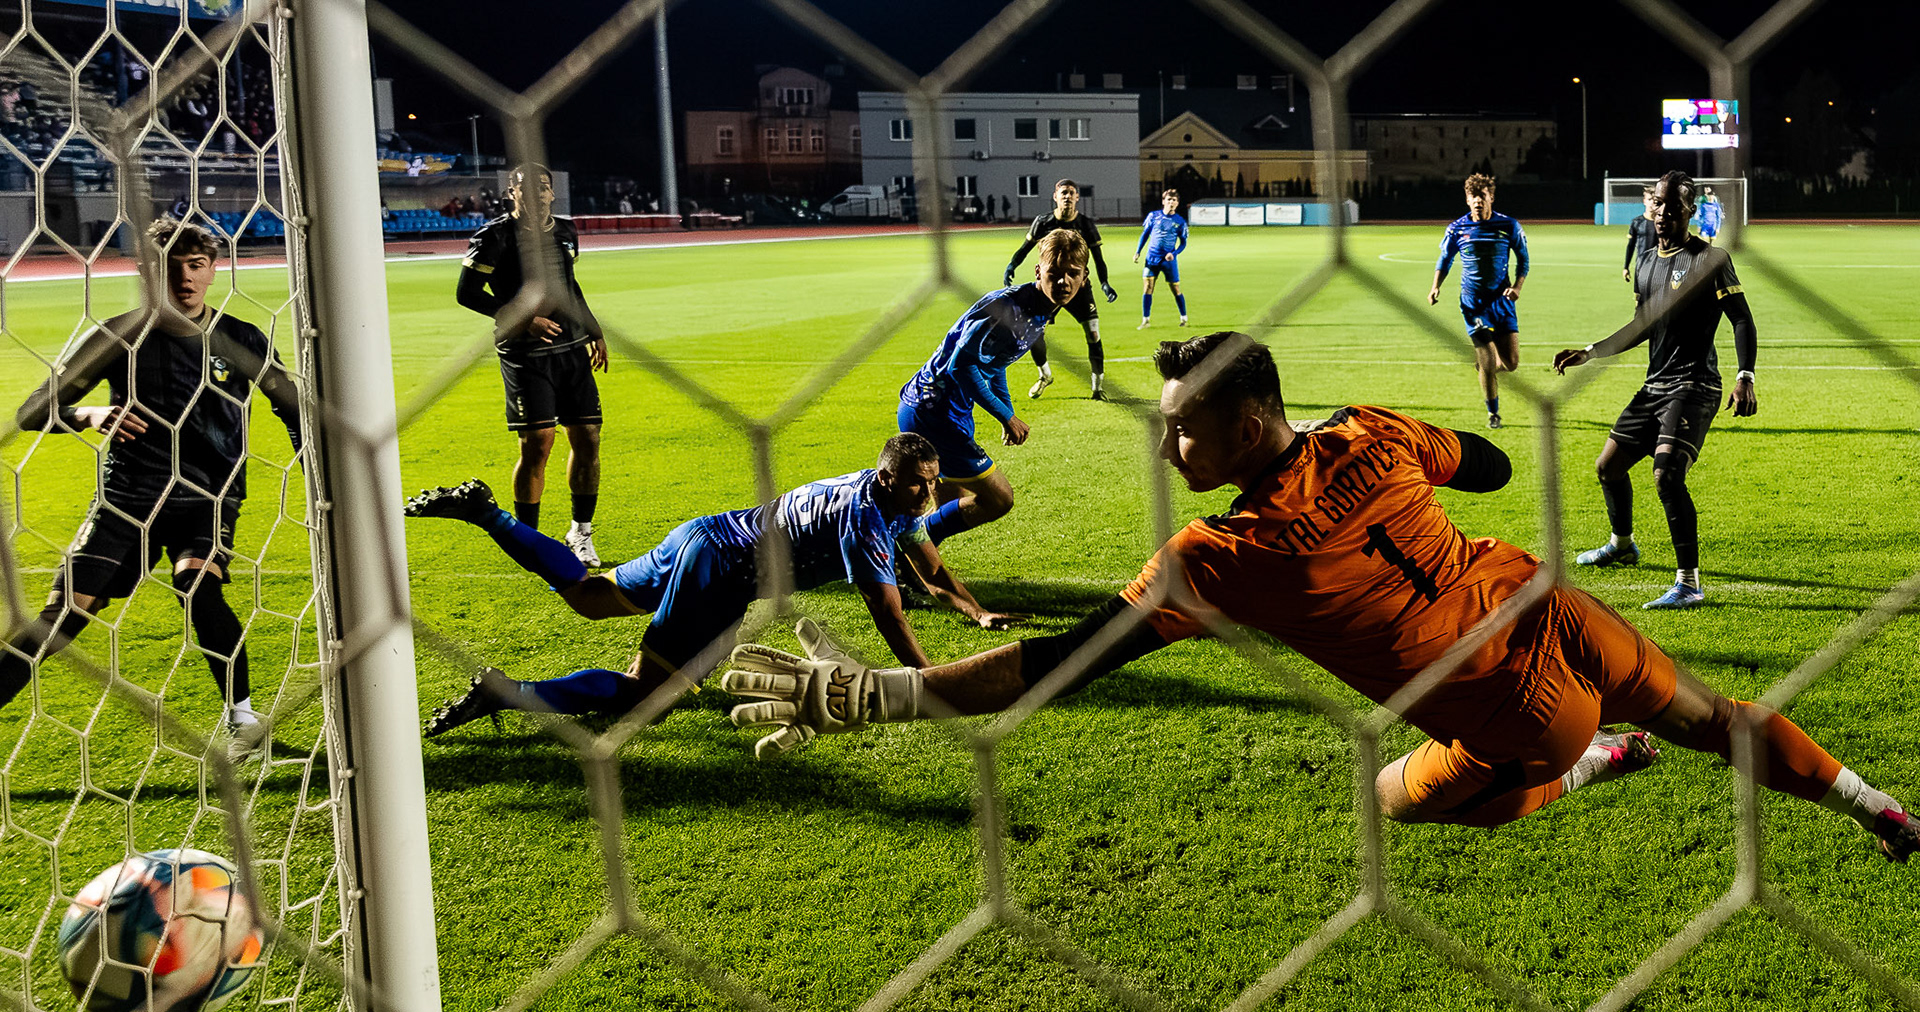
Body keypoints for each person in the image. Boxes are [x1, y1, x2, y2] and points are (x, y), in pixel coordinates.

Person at [722, 331, 1919, 863]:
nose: (1166, 450)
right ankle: (1878, 805)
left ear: (1247, 425)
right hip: (1547, 602)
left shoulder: (1217, 553)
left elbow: (1057, 664)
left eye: (1181, 430)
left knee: (1396, 795)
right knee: (1713, 716)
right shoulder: (1369, 431)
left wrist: (880, 695)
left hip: (1515, 709)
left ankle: (1589, 764)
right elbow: (1490, 465)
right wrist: (1385, 450)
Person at [405, 434, 1020, 736]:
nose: (930, 493)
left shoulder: (882, 494)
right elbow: (888, 612)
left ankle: (488, 513)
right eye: (919, 483)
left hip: (704, 534)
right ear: (887, 480)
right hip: (721, 572)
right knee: (646, 696)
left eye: (934, 481)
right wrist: (928, 682)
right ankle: (505, 692)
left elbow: (927, 565)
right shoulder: (864, 520)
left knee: (589, 598)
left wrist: (974, 610)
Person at [6, 218, 301, 757]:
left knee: (199, 586)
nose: (184, 278)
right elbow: (32, 411)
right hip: (129, 498)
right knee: (62, 618)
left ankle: (243, 723)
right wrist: (90, 414)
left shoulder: (240, 338)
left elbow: (291, 406)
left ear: (213, 271)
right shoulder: (119, 336)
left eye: (196, 265)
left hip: (208, 497)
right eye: (171, 267)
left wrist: (312, 470)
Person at [1556, 169, 1756, 611]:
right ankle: (1622, 545)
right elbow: (1641, 327)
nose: (1662, 211)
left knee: (1667, 474)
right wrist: (1590, 351)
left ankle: (1689, 583)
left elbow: (1742, 318)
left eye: (1672, 205)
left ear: (1689, 211)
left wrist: (1745, 376)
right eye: (1658, 203)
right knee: (1608, 467)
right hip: (1655, 384)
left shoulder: (1710, 259)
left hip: (1695, 384)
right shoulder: (1645, 262)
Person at [456, 161, 610, 566]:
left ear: (551, 193)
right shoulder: (494, 237)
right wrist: (524, 319)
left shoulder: (565, 231)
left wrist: (594, 330)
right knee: (538, 443)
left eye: (543, 187)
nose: (536, 194)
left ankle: (581, 533)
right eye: (525, 187)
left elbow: (570, 287)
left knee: (588, 437)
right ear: (512, 194)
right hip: (525, 354)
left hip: (571, 349)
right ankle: (529, 540)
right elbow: (467, 293)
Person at [897, 229, 1088, 547]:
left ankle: (912, 561)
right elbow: (960, 366)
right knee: (999, 498)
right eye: (1054, 273)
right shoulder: (1008, 309)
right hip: (934, 410)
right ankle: (904, 541)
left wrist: (1007, 409)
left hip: (944, 408)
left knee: (949, 506)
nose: (1063, 282)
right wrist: (1006, 417)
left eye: (1072, 273)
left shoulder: (1038, 310)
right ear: (1038, 271)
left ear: (1084, 277)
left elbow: (997, 363)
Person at [1428, 173, 1528, 430]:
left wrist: (1517, 287)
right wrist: (1435, 286)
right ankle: (1493, 413)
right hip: (1473, 305)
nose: (1477, 201)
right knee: (1488, 360)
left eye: (1482, 196)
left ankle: (1486, 367)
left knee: (1511, 364)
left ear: (1491, 197)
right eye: (1473, 197)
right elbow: (1445, 259)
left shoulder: (1509, 225)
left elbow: (1523, 260)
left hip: (1502, 302)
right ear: (1467, 199)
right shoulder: (1457, 228)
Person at [1003, 179, 1119, 400]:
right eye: (1063, 192)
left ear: (1077, 198)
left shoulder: (1086, 224)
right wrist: (1012, 266)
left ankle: (1097, 388)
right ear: (1055, 196)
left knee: (1093, 333)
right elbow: (1025, 248)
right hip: (1049, 289)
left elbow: (1098, 258)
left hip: (1079, 287)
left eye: (1071, 193)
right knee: (1034, 333)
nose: (1067, 196)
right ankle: (1045, 375)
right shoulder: (1043, 222)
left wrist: (1104, 283)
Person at [1134, 188, 1189, 329]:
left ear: (1177, 203)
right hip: (1151, 258)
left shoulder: (1180, 222)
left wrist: (1174, 253)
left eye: (1174, 200)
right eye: (1169, 199)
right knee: (1148, 287)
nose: (1171, 202)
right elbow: (1145, 234)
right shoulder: (1153, 216)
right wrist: (1138, 251)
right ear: (1163, 201)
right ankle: (1145, 320)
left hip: (1168, 261)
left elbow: (1183, 243)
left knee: (1175, 288)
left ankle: (1184, 318)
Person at [1623, 184, 1657, 283]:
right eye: (1649, 199)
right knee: (1640, 293)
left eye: (1655, 200)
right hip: (1641, 266)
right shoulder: (1637, 222)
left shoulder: (1663, 223)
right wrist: (1626, 267)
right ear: (1644, 201)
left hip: (1659, 267)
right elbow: (1631, 246)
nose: (1652, 203)